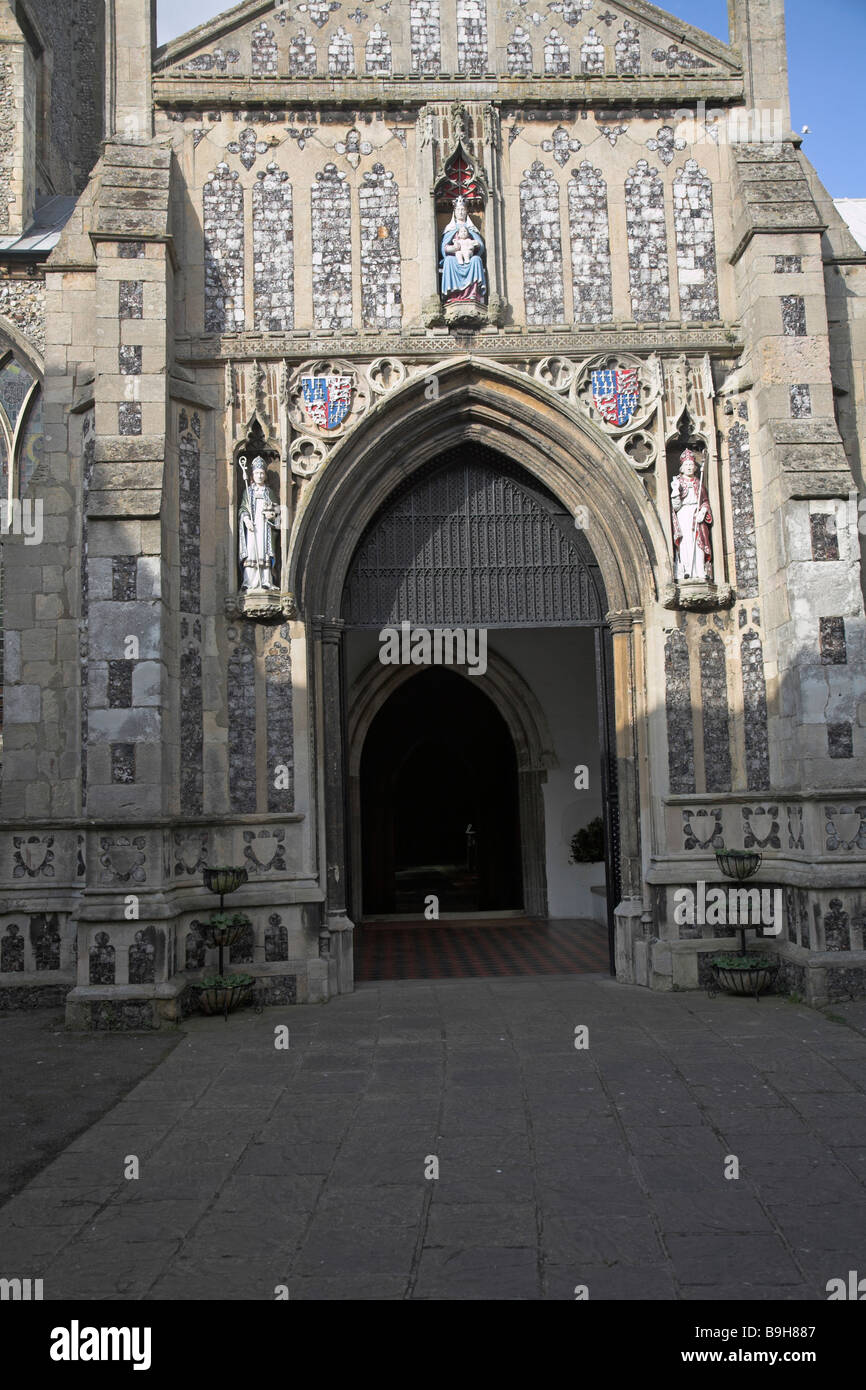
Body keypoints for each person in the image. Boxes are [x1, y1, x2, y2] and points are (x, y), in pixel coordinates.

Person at [671, 448, 712, 581]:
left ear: (695, 467)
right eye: (687, 465)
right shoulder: (677, 482)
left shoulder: (698, 484)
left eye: (691, 465)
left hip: (696, 514)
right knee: (685, 542)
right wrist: (675, 491)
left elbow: (705, 501)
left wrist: (703, 511)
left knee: (699, 541)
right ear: (682, 468)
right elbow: (675, 506)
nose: (689, 467)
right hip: (684, 514)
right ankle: (687, 569)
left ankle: (699, 570)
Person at [239, 456, 279, 590]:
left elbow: (276, 511)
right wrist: (246, 520)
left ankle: (266, 580)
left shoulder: (269, 492)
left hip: (265, 527)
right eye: (257, 473)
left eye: (262, 473)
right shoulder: (248, 491)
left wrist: (271, 515)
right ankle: (249, 581)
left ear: (265, 475)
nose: (259, 476)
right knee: (251, 551)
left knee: (264, 552)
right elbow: (243, 508)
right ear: (252, 475)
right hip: (253, 527)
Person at [440, 196, 487, 304]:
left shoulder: (471, 228)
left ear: (466, 212)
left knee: (476, 260)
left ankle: (472, 294)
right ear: (454, 212)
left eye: (463, 210)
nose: (460, 212)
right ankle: (453, 295)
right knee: (448, 261)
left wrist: (476, 245)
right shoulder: (450, 228)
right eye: (458, 210)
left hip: (469, 257)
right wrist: (451, 248)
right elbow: (443, 247)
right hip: (455, 257)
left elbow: (480, 245)